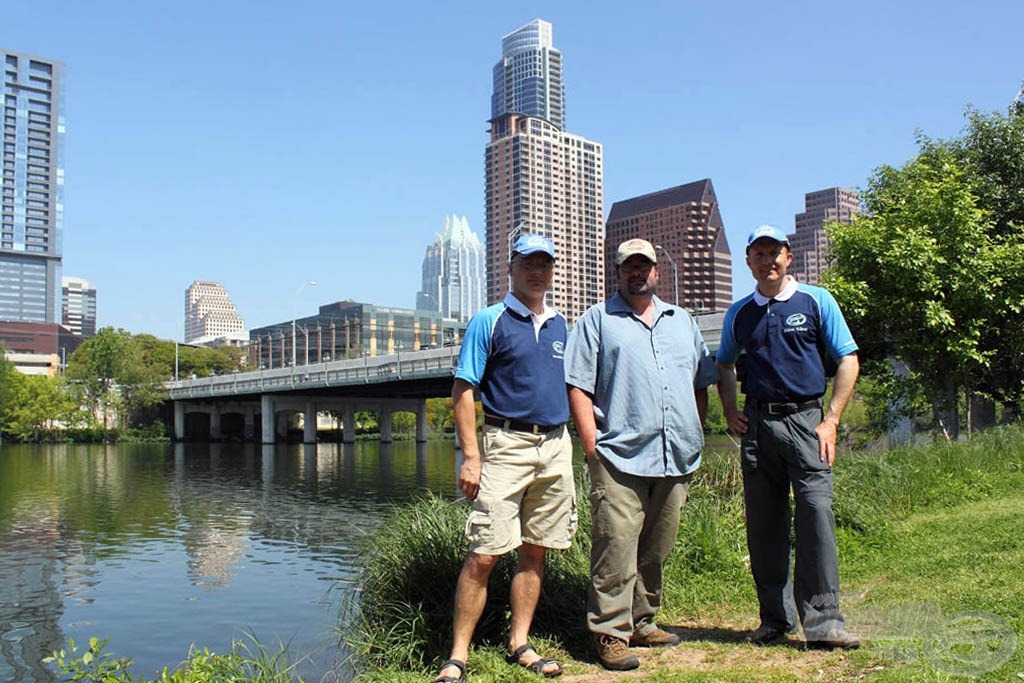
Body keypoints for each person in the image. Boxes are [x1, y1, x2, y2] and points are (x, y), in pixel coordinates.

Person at [565, 238, 718, 671]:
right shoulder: (596, 320)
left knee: (657, 545)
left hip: (675, 456)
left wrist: (695, 430)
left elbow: (700, 383)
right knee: (615, 545)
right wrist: (591, 444)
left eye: (644, 266)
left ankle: (642, 621)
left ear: (657, 272)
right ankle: (609, 633)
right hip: (619, 456)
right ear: (618, 273)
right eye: (628, 267)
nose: (637, 273)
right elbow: (578, 385)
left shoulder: (682, 321)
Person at [432, 234, 575, 683]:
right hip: (505, 446)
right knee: (484, 553)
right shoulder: (488, 320)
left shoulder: (560, 325)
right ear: (510, 268)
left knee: (535, 551)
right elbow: (463, 390)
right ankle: (457, 656)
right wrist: (471, 457)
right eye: (528, 263)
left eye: (544, 264)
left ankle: (520, 643)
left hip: (555, 446)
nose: (537, 271)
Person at [715, 224, 861, 650]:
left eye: (774, 252)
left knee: (816, 515)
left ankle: (824, 622)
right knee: (764, 524)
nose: (768, 261)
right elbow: (724, 364)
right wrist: (729, 411)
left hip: (807, 422)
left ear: (788, 256)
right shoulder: (740, 313)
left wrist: (831, 418)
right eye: (758, 254)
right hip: (759, 428)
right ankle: (774, 619)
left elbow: (847, 359)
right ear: (748, 262)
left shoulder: (816, 300)